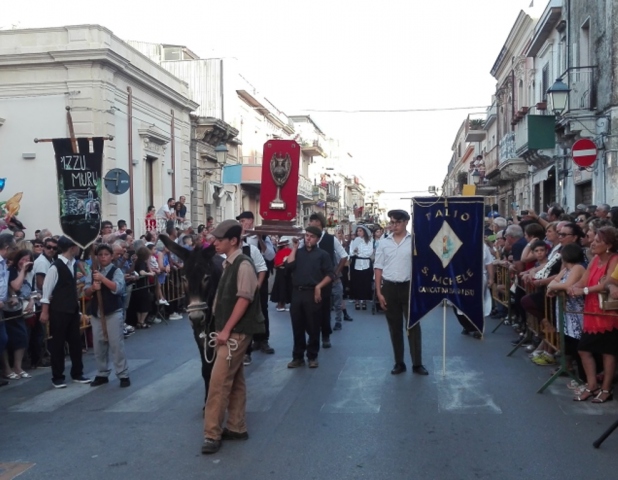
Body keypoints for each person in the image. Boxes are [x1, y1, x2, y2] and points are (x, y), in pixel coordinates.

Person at [201, 219, 264, 455]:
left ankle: (211, 434)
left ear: (233, 241)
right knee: (235, 380)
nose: (215, 243)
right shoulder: (231, 262)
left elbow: (244, 299)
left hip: (236, 333)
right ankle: (236, 427)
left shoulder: (243, 264)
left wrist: (226, 330)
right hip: (231, 332)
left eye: (219, 240)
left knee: (218, 383)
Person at [374, 209, 428, 375]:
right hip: (389, 287)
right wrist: (379, 292)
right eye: (392, 222)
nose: (394, 225)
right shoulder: (384, 242)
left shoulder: (414, 241)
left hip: (409, 286)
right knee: (394, 326)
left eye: (397, 222)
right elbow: (378, 267)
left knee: (413, 325)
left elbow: (422, 265)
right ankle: (399, 362)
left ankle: (417, 363)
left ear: (406, 222)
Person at [571, 226, 618, 402]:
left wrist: (582, 290)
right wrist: (573, 287)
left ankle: (606, 389)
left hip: (607, 311)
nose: (592, 243)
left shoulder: (614, 259)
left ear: (608, 244)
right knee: (584, 349)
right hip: (592, 309)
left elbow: (606, 283)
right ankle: (592, 385)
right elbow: (584, 280)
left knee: (608, 352)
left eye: (597, 241)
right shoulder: (595, 259)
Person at [40, 236, 91, 388]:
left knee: (75, 342)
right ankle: (57, 376)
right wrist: (45, 311)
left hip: (72, 309)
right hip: (59, 310)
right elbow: (46, 291)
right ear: (71, 247)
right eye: (77, 246)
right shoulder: (55, 267)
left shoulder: (73, 264)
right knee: (58, 343)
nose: (79, 249)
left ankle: (77, 373)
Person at [285, 226, 334, 369]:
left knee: (313, 326)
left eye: (311, 236)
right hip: (297, 292)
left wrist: (319, 287)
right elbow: (288, 266)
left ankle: (312, 355)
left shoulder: (323, 255)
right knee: (297, 326)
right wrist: (294, 248)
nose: (308, 238)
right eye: (306, 235)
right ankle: (297, 356)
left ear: (317, 239)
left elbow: (330, 274)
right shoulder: (298, 253)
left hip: (312, 292)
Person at [84, 243, 130, 388]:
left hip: (112, 312)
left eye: (106, 255)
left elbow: (118, 288)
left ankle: (123, 374)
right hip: (97, 313)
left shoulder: (116, 271)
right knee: (99, 345)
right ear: (96, 257)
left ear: (111, 257)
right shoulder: (92, 272)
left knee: (116, 345)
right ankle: (102, 373)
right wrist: (93, 287)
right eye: (100, 255)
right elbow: (85, 291)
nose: (103, 257)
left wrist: (103, 280)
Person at [236, 211, 276, 355]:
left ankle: (263, 339)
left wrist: (260, 239)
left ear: (250, 222)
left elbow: (270, 256)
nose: (241, 224)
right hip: (242, 278)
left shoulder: (262, 236)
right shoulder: (237, 237)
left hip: (259, 277)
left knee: (262, 308)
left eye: (243, 221)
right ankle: (249, 340)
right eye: (240, 222)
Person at [307, 213, 347, 347]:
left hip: (325, 279)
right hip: (310, 279)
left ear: (319, 223)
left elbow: (344, 256)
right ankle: (312, 336)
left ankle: (325, 335)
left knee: (324, 308)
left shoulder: (331, 239)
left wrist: (335, 274)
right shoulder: (307, 239)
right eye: (310, 221)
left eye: (314, 221)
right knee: (310, 310)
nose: (311, 223)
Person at [0, 234, 17, 387]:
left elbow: (4, 282)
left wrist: (11, 295)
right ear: (6, 248)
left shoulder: (4, 263)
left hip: (2, 305)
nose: (14, 251)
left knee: (3, 339)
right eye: (13, 248)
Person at [349, 225, 374, 310]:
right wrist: (356, 252)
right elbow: (351, 252)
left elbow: (369, 252)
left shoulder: (369, 241)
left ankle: (364, 300)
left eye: (360, 231)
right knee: (356, 283)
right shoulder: (354, 241)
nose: (359, 232)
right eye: (358, 231)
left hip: (366, 263)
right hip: (356, 263)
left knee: (365, 283)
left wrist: (360, 253)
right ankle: (357, 300)